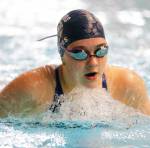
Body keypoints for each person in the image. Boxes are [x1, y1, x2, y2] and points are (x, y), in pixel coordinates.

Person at [0, 9, 150, 117]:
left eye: (101, 51)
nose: (93, 63)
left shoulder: (127, 86)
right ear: (62, 55)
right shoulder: (32, 89)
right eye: (80, 53)